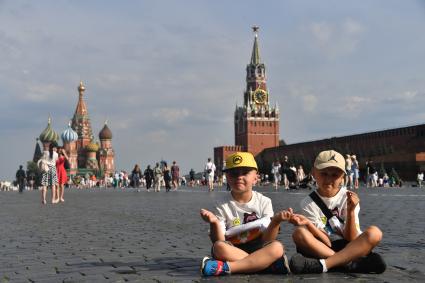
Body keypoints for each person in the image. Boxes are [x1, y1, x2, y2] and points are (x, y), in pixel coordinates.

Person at [288, 150, 386, 274]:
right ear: (314, 173)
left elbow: (351, 238)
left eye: (334, 175)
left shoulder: (349, 198)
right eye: (324, 174)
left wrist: (350, 211)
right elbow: (325, 240)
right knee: (299, 233)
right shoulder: (307, 203)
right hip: (325, 246)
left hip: (350, 244)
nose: (329, 179)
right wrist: (308, 223)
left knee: (375, 233)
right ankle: (350, 262)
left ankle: (324, 265)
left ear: (342, 178)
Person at [200, 152, 291, 276]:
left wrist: (276, 221)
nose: (239, 177)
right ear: (227, 177)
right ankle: (266, 265)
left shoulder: (264, 202)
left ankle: (228, 268)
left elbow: (267, 240)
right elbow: (219, 240)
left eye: (245, 173)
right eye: (234, 174)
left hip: (259, 248)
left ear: (255, 177)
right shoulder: (221, 205)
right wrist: (214, 223)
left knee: (277, 247)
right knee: (218, 247)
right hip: (233, 249)